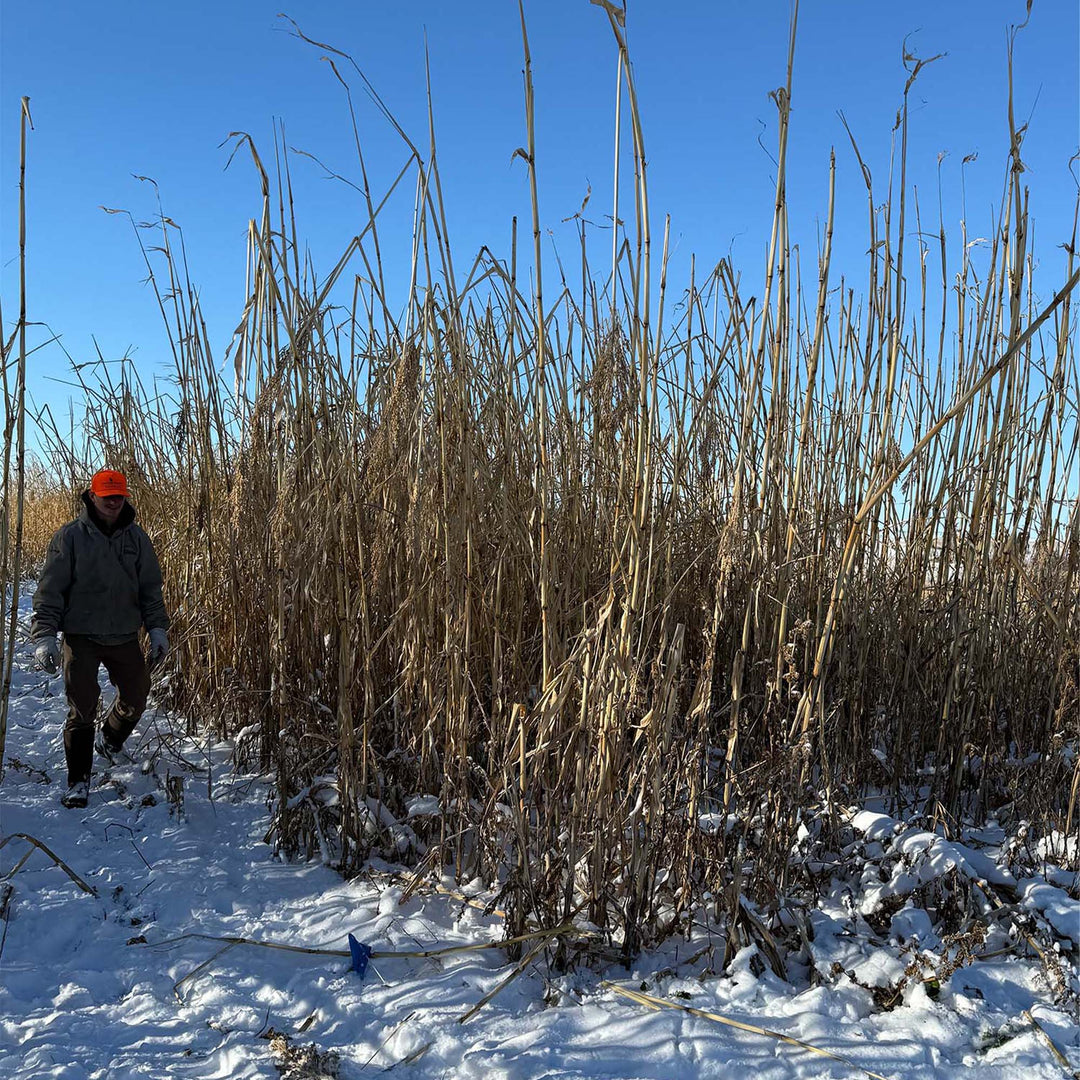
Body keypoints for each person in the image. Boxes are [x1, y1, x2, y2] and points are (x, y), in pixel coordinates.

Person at [29, 469, 170, 808]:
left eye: (118, 495)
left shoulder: (137, 539)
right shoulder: (70, 538)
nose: (113, 501)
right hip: (81, 637)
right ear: (91, 496)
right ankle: (78, 782)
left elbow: (151, 589)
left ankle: (109, 740)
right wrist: (44, 636)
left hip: (123, 634)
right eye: (106, 495)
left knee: (137, 695)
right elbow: (51, 592)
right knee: (82, 708)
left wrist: (157, 628)